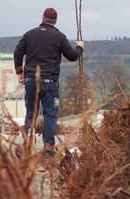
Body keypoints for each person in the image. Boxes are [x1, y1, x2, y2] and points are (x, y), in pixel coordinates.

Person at [14, 7, 84, 157]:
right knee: (50, 115)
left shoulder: (29, 34)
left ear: (42, 18)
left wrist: (20, 71)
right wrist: (79, 47)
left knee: (31, 114)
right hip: (49, 82)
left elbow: (17, 53)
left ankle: (27, 148)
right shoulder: (59, 37)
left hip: (31, 80)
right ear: (55, 21)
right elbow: (72, 56)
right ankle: (48, 149)